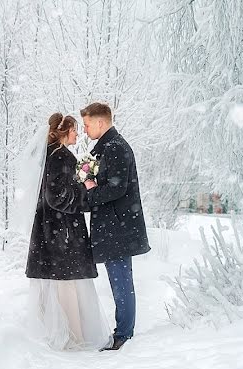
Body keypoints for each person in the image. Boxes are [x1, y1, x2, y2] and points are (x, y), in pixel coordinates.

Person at [24, 113, 109, 350]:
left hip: (52, 231)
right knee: (67, 284)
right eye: (74, 130)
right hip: (61, 232)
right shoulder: (59, 157)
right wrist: (85, 197)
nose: (78, 134)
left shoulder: (52, 156)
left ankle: (59, 331)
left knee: (59, 285)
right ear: (64, 132)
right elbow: (56, 197)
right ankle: (70, 336)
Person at [81, 102, 150, 351]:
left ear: (101, 122)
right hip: (115, 226)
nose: (85, 129)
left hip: (118, 227)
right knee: (119, 280)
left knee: (121, 282)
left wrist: (90, 191)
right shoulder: (106, 148)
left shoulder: (116, 148)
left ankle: (124, 334)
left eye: (88, 124)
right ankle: (123, 331)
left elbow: (117, 188)